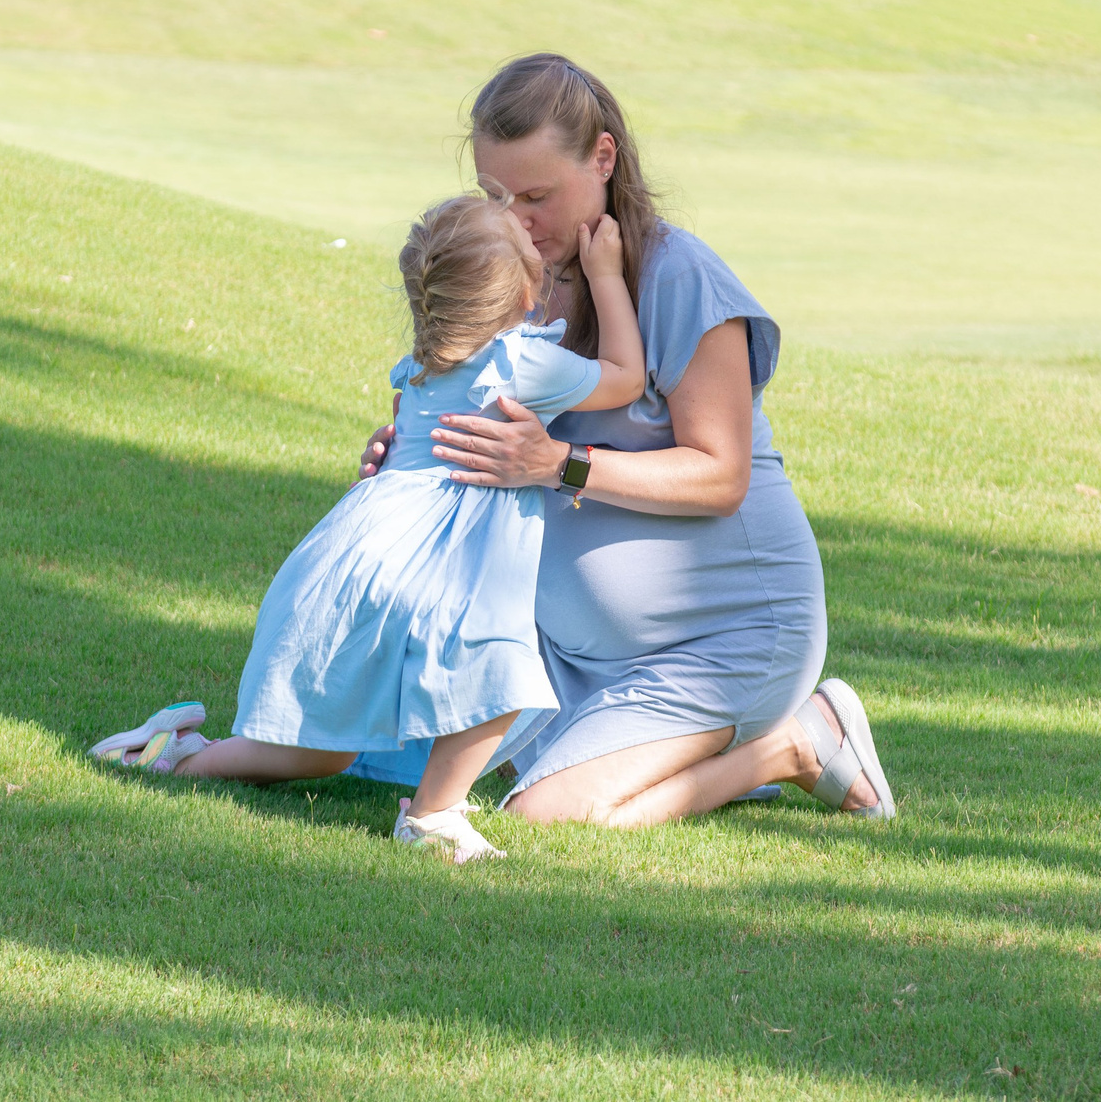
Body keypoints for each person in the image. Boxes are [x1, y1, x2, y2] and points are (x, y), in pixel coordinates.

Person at [354, 53, 893, 828]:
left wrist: (560, 465)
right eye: (496, 195)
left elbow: (720, 475)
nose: (518, 220)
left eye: (538, 196)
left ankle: (791, 743)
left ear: (603, 159)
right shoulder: (512, 281)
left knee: (549, 815)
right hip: (566, 648)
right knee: (392, 743)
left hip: (727, 637)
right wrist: (412, 455)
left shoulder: (678, 278)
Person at [90, 193, 648, 862]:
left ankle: (174, 756)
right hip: (443, 558)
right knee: (501, 673)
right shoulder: (521, 364)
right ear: (527, 297)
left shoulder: (421, 366)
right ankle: (433, 814)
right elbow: (624, 378)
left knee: (322, 751)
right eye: (534, 258)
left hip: (362, 547)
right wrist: (608, 276)